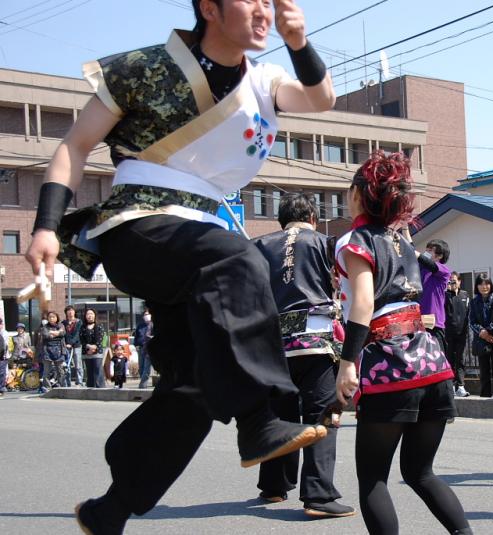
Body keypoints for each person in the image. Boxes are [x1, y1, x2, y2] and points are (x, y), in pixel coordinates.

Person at [25, 3, 337, 530]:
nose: (264, 10)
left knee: (195, 384)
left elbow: (321, 98)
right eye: (250, 0)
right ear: (210, 8)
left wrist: (300, 40)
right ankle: (261, 419)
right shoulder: (142, 68)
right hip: (137, 224)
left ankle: (112, 507)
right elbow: (75, 145)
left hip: (201, 233)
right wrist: (45, 226)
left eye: (271, 1)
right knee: (241, 260)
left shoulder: (264, 80)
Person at [334, 152, 471, 535]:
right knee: (420, 472)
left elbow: (362, 303)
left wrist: (347, 363)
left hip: (390, 366)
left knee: (374, 480)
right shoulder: (403, 242)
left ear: (360, 194)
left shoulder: (355, 240)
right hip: (433, 365)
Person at [251, 192, 354, 519]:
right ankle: (318, 495)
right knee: (323, 414)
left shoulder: (259, 245)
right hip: (315, 340)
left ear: (281, 220)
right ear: (312, 218)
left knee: (279, 415)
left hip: (273, 345)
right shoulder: (325, 243)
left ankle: (273, 485)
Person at [469, 273, 493, 398]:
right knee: (484, 373)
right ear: (477, 286)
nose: (484, 287)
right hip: (481, 341)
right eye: (481, 284)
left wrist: (488, 332)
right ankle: (485, 400)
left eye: (487, 284)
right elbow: (472, 321)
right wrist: (482, 333)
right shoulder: (473, 302)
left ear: (491, 285)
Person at [419, 238, 452, 354]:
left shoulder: (443, 270)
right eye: (426, 250)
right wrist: (405, 228)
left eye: (430, 250)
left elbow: (428, 263)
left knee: (436, 357)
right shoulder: (422, 268)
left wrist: (415, 253)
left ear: (440, 256)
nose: (426, 253)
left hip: (433, 321)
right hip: (418, 321)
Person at [445, 272, 471, 397]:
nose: (452, 284)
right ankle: (450, 385)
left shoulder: (465, 295)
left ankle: (460, 386)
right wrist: (448, 291)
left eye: (454, 281)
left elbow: (468, 313)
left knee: (461, 360)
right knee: (449, 359)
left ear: (460, 281)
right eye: (450, 281)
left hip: (462, 333)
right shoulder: (445, 295)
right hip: (448, 334)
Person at [80, 308, 106, 389]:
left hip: (97, 352)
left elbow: (100, 339)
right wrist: (88, 347)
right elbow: (81, 339)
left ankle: (100, 387)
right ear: (85, 316)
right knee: (89, 371)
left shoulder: (99, 326)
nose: (89, 316)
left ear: (94, 315)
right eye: (88, 314)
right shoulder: (83, 327)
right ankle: (90, 388)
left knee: (98, 370)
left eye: (91, 314)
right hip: (87, 352)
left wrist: (94, 348)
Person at [42, 311, 67, 390]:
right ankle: (47, 387)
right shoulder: (45, 327)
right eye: (50, 317)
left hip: (59, 350)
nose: (52, 319)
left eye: (53, 317)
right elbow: (46, 335)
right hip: (47, 350)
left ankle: (61, 386)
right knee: (47, 371)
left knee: (60, 370)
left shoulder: (61, 325)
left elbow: (63, 333)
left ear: (57, 318)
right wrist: (57, 333)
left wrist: (52, 333)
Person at [63, 305, 84, 387]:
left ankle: (79, 381)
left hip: (77, 346)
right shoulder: (63, 323)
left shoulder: (79, 322)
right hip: (66, 346)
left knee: (78, 364)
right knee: (67, 365)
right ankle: (68, 383)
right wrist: (65, 344)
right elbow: (63, 334)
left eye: (72, 310)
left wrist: (71, 343)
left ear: (74, 312)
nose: (70, 312)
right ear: (66, 313)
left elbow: (77, 334)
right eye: (68, 311)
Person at [133, 310, 154, 389]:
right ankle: (143, 381)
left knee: (146, 367)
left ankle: (143, 385)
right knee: (141, 367)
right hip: (141, 348)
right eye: (145, 314)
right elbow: (136, 336)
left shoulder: (153, 324)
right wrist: (136, 345)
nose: (147, 315)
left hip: (149, 348)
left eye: (148, 314)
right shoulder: (140, 325)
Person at [0, 318, 7, 397]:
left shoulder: (4, 333)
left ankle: (1, 389)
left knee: (1, 373)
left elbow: (4, 347)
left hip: (2, 356)